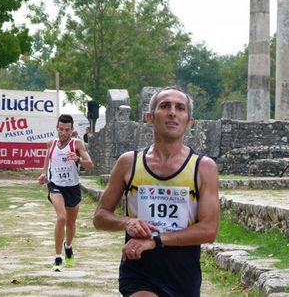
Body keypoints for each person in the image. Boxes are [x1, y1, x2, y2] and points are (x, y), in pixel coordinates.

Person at [93, 87, 220, 297]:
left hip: (182, 276)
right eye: (165, 106)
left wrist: (156, 241)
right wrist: (127, 222)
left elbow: (208, 230)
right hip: (138, 271)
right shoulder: (129, 163)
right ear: (150, 118)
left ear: (190, 122)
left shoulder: (203, 167)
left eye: (180, 108)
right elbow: (100, 217)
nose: (172, 112)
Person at [38, 114, 94, 272]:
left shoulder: (77, 144)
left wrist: (77, 159)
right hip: (55, 185)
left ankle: (68, 247)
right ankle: (57, 257)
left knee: (70, 223)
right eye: (61, 129)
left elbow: (90, 164)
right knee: (61, 217)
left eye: (67, 130)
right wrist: (44, 174)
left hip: (73, 187)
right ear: (57, 128)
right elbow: (47, 160)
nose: (63, 132)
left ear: (72, 130)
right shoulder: (51, 144)